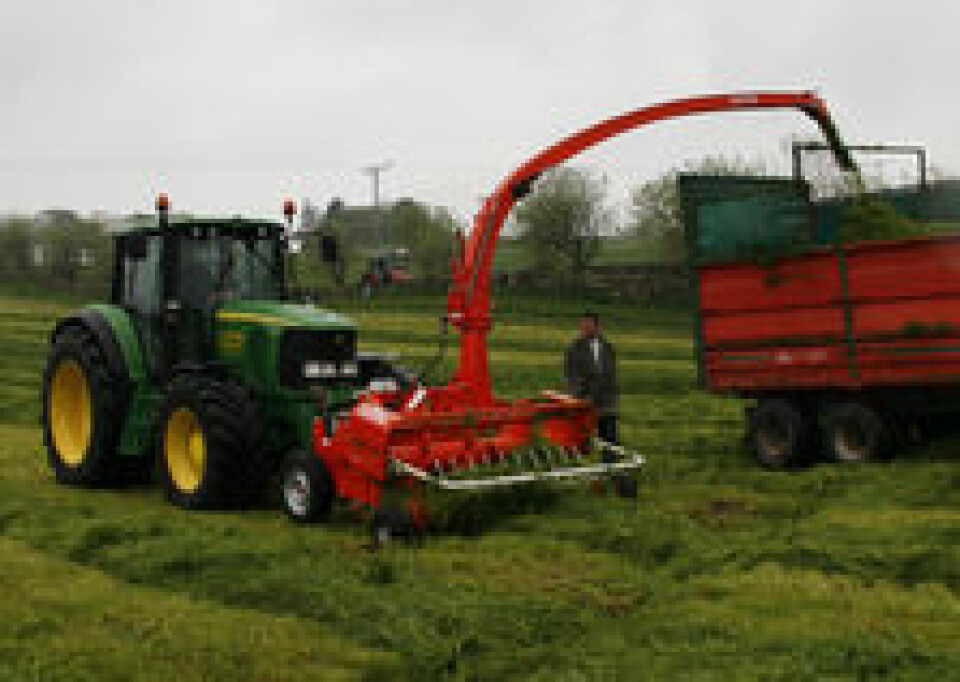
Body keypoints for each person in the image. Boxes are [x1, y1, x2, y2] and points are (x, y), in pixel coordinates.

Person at [565, 312, 636, 498]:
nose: (584, 328)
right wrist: (580, 398)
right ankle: (590, 479)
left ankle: (614, 476)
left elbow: (610, 376)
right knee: (585, 441)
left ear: (597, 327)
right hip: (584, 406)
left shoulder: (608, 347)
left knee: (610, 440)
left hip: (607, 404)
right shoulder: (574, 348)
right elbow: (572, 376)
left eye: (588, 325)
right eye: (582, 325)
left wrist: (603, 398)